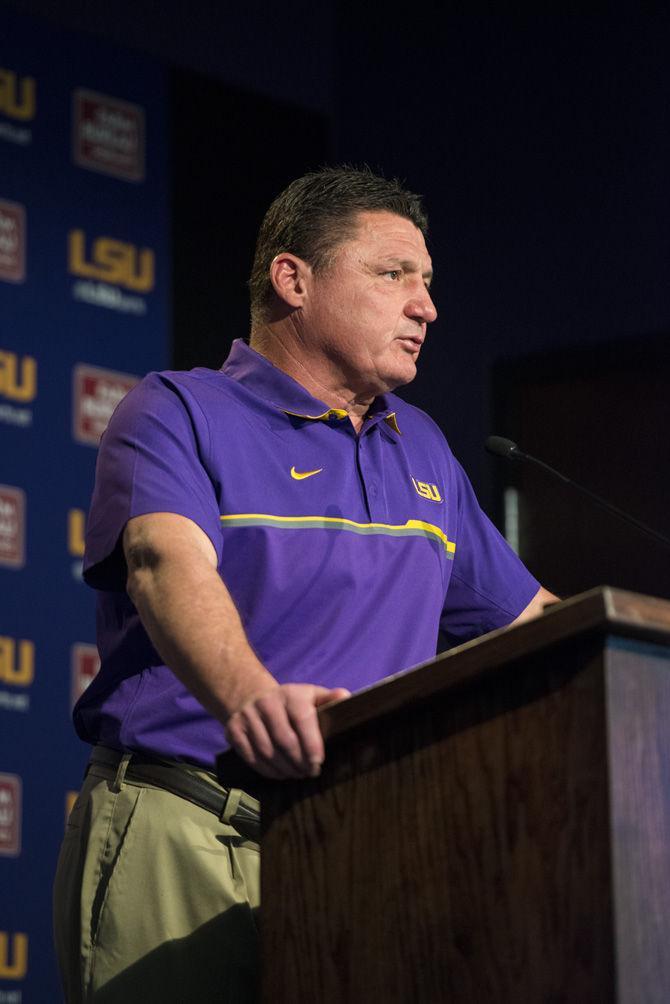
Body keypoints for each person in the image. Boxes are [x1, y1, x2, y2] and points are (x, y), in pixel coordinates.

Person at [53, 166, 557, 1003]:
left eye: (427, 282)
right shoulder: (178, 411)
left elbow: (536, 625)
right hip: (187, 826)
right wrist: (251, 697)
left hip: (358, 844)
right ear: (295, 279)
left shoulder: (422, 449)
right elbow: (161, 562)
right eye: (394, 273)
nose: (425, 305)